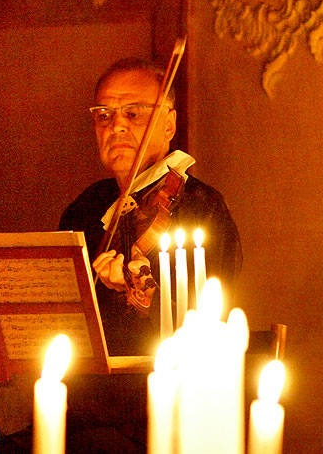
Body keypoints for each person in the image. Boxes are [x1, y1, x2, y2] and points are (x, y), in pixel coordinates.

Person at [56, 57, 243, 453]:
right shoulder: (87, 208)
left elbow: (204, 321)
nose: (116, 126)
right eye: (103, 114)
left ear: (170, 124)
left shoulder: (201, 207)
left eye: (135, 113)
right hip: (83, 408)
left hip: (162, 414)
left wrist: (140, 298)